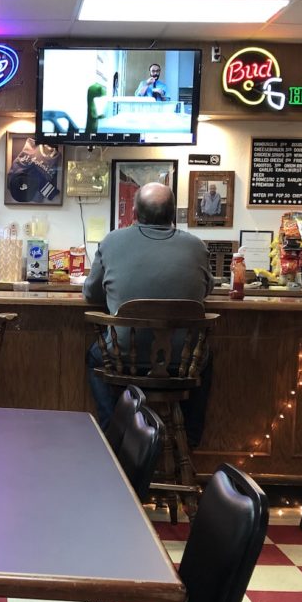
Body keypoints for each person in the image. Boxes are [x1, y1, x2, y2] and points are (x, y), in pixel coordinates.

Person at [83, 182, 214, 441]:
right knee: (204, 358)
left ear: (134, 213)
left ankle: (113, 435)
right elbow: (206, 290)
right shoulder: (197, 246)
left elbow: (92, 294)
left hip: (122, 358)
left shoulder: (111, 241)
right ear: (173, 214)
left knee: (95, 355)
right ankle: (189, 438)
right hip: (181, 363)